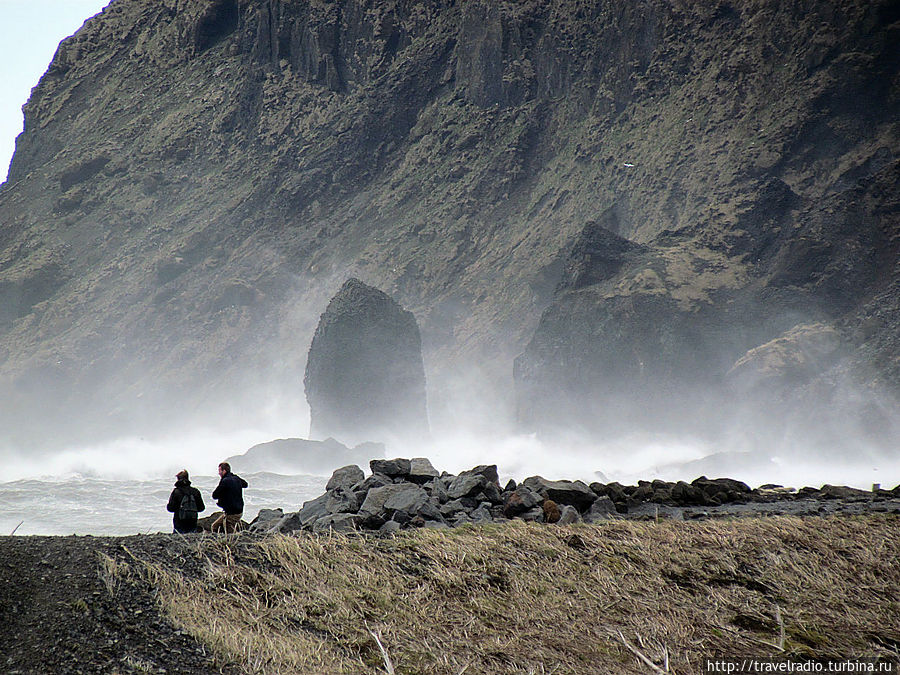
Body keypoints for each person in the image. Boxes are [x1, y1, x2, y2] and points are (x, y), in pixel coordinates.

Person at [211, 461, 248, 533]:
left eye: (219, 471)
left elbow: (215, 495)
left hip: (232, 513)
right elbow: (245, 484)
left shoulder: (225, 481)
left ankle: (235, 541)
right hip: (238, 510)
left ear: (224, 471)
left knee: (229, 530)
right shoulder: (236, 478)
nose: (218, 473)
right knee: (215, 526)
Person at [166, 469, 205, 534]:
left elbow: (170, 508)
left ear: (178, 479)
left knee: (178, 541)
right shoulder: (195, 491)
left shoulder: (176, 492)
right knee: (192, 541)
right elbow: (201, 508)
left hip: (179, 523)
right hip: (192, 522)